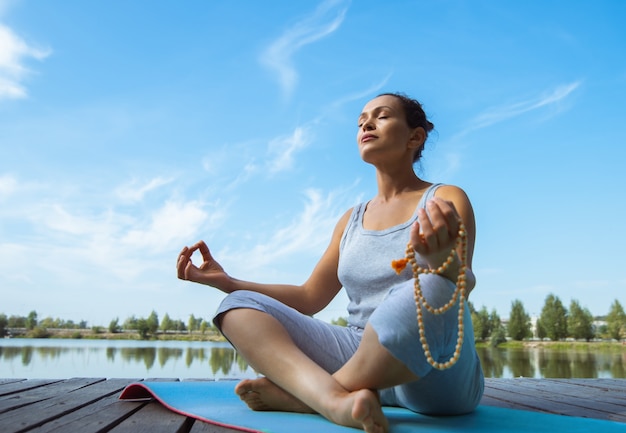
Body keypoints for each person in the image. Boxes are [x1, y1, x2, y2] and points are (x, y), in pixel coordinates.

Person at [177, 92, 484, 433]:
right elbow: (310, 297)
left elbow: (457, 289)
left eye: (381, 116)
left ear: (415, 136)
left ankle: (308, 397)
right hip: (355, 348)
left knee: (431, 286)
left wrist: (443, 265)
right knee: (236, 307)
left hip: (435, 374)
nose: (367, 123)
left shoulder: (444, 198)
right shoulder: (350, 219)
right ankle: (335, 400)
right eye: (361, 121)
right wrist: (229, 282)